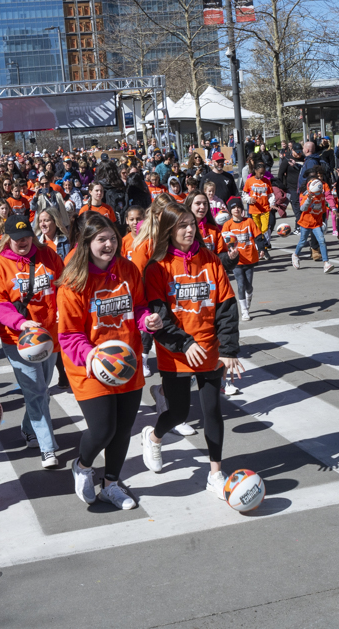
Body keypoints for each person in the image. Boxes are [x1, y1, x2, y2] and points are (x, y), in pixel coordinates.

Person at [57, 213, 162, 509]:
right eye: (101, 239)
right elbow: (69, 335)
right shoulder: (73, 281)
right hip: (90, 365)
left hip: (127, 363)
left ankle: (112, 484)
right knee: (104, 429)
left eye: (112, 238)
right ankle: (82, 465)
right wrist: (91, 355)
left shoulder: (128, 269)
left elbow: (139, 306)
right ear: (86, 243)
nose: (109, 245)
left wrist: (147, 320)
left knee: (123, 428)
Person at [142, 203, 242, 496]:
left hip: (209, 348)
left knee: (212, 410)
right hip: (175, 351)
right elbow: (159, 318)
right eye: (181, 225)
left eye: (191, 224)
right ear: (168, 230)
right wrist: (185, 343)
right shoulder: (157, 267)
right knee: (178, 412)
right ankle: (154, 437)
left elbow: (226, 307)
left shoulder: (211, 260)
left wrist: (229, 350)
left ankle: (215, 473)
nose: (189, 229)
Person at [0, 214, 65, 465]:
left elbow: (64, 285)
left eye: (26, 237)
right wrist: (21, 323)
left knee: (42, 389)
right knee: (37, 391)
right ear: (7, 238)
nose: (22, 242)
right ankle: (48, 448)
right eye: (17, 238)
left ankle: (29, 427)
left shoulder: (48, 255)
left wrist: (64, 311)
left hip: (49, 335)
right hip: (18, 339)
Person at [221, 198, 261, 322]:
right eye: (233, 207)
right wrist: (227, 254)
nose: (236, 209)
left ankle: (249, 297)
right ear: (230, 210)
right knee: (240, 284)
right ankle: (244, 310)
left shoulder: (249, 221)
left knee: (248, 286)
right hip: (236, 260)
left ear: (242, 209)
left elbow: (258, 235)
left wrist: (262, 248)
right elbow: (223, 242)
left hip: (249, 258)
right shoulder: (227, 225)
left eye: (238, 207)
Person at [291, 170, 334, 273]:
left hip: (316, 223)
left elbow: (322, 210)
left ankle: (326, 263)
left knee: (322, 240)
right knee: (303, 241)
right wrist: (309, 200)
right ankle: (295, 255)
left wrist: (324, 221)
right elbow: (303, 208)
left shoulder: (321, 196)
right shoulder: (306, 195)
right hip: (306, 222)